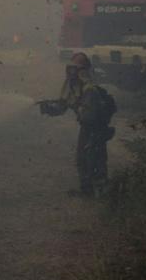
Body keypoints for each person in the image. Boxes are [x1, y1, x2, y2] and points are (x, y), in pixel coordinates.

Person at [39, 53, 117, 197]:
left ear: (83, 70)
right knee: (83, 158)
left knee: (94, 157)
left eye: (76, 69)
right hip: (87, 125)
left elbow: (89, 114)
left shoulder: (90, 88)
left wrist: (76, 107)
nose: (72, 72)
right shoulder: (72, 85)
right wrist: (49, 108)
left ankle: (102, 191)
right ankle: (89, 190)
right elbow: (63, 106)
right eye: (71, 68)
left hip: (96, 126)